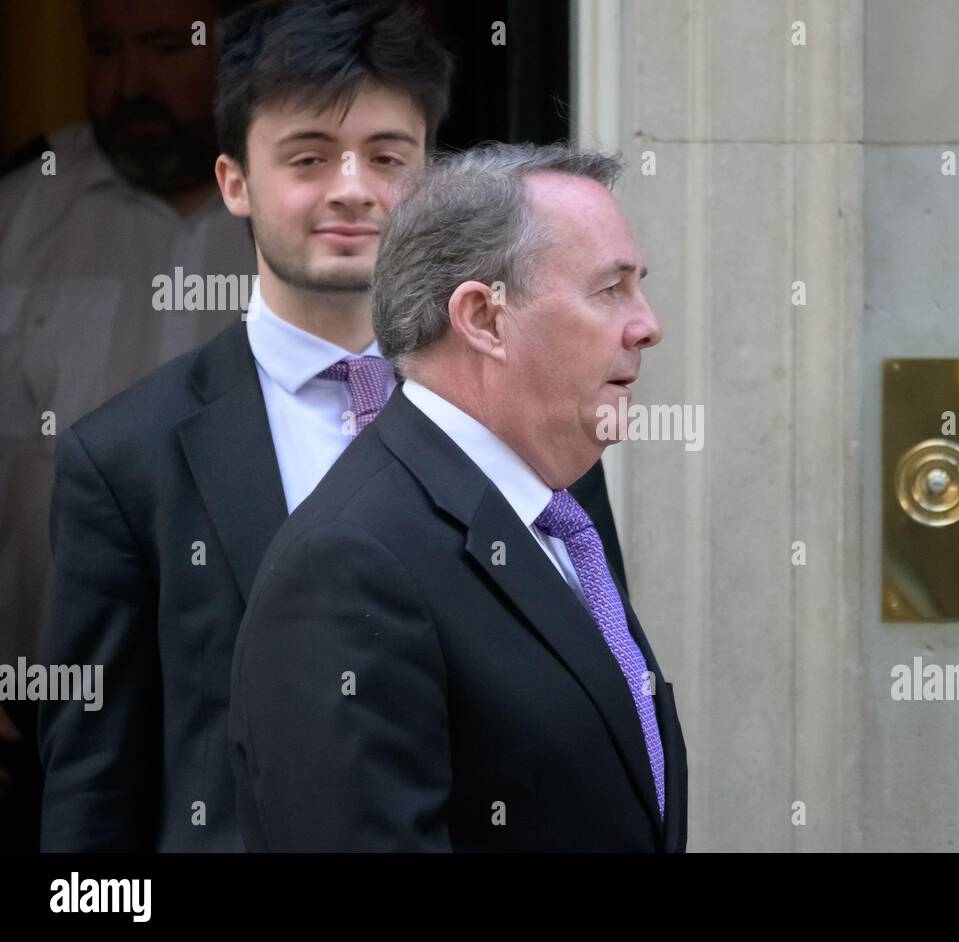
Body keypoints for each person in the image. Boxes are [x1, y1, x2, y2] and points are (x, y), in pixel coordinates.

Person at [38, 0, 624, 852]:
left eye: (389, 157)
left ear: (433, 180)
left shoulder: (535, 417)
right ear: (235, 181)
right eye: (308, 156)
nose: (352, 188)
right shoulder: (126, 457)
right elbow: (94, 787)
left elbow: (593, 693)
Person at [229, 143, 687, 852]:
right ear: (483, 318)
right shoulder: (349, 566)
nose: (647, 324)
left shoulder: (558, 514)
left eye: (640, 285)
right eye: (610, 289)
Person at [0, 0, 256, 847]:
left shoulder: (310, 222)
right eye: (103, 50)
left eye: (161, 47)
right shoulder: (22, 212)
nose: (128, 84)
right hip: (37, 728)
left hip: (256, 731)